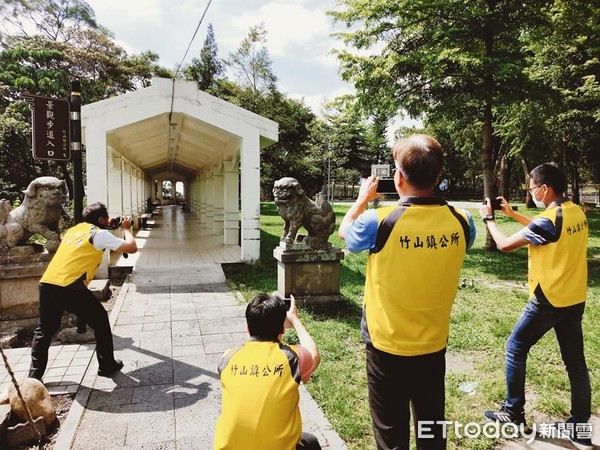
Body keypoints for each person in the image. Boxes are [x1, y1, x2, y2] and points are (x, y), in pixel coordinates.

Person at [339, 134, 476, 450]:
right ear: (438, 178)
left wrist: (362, 199)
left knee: (391, 433)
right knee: (431, 429)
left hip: (386, 344)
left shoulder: (379, 221)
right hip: (433, 343)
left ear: (398, 178)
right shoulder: (462, 221)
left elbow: (346, 234)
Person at [480, 163, 592, 450]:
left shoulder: (549, 219)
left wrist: (490, 218)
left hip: (548, 299)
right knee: (576, 364)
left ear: (544, 188)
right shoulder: (574, 211)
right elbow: (545, 229)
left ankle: (513, 413)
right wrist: (512, 213)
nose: (531, 193)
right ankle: (580, 428)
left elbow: (505, 245)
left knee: (515, 348)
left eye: (531, 188)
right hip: (574, 298)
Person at [29, 202, 137, 380]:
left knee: (45, 330)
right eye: (106, 216)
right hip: (70, 286)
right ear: (101, 219)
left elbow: (89, 243)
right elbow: (131, 248)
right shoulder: (99, 234)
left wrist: (108, 224)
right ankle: (107, 365)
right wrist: (126, 228)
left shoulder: (74, 230)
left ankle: (34, 377)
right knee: (100, 321)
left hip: (48, 283)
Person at [213, 292, 321, 450]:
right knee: (310, 442)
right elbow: (314, 355)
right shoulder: (292, 359)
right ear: (282, 330)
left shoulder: (228, 358)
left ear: (248, 329)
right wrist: (294, 319)